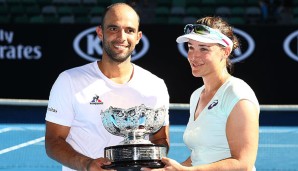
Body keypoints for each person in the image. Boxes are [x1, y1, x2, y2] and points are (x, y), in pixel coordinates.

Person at [44, 3, 170, 171]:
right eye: (113, 28)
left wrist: (151, 163)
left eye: (129, 30)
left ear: (138, 37)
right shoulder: (69, 80)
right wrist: (88, 164)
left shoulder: (156, 84)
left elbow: (161, 140)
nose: (121, 37)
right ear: (100, 33)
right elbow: (53, 141)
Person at [142, 16, 260, 171]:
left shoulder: (238, 95)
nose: (193, 56)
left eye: (204, 48)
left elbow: (243, 164)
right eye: (191, 47)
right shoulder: (197, 95)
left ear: (225, 51)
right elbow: (200, 158)